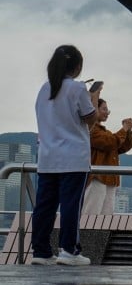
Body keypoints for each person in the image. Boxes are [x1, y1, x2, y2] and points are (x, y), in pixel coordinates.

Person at [30, 45, 99, 266]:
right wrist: (94, 97)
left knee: (44, 206)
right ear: (78, 67)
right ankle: (69, 250)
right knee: (70, 205)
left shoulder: (44, 89)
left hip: (48, 157)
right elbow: (90, 118)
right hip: (73, 158)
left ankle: (41, 251)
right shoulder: (77, 89)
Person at [82, 96, 132, 215]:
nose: (107, 113)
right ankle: (87, 234)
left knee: (106, 216)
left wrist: (128, 131)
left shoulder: (104, 132)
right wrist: (124, 129)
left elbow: (121, 147)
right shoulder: (91, 130)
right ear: (94, 109)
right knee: (91, 214)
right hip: (97, 178)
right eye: (104, 109)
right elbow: (110, 142)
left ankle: (98, 233)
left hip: (108, 179)